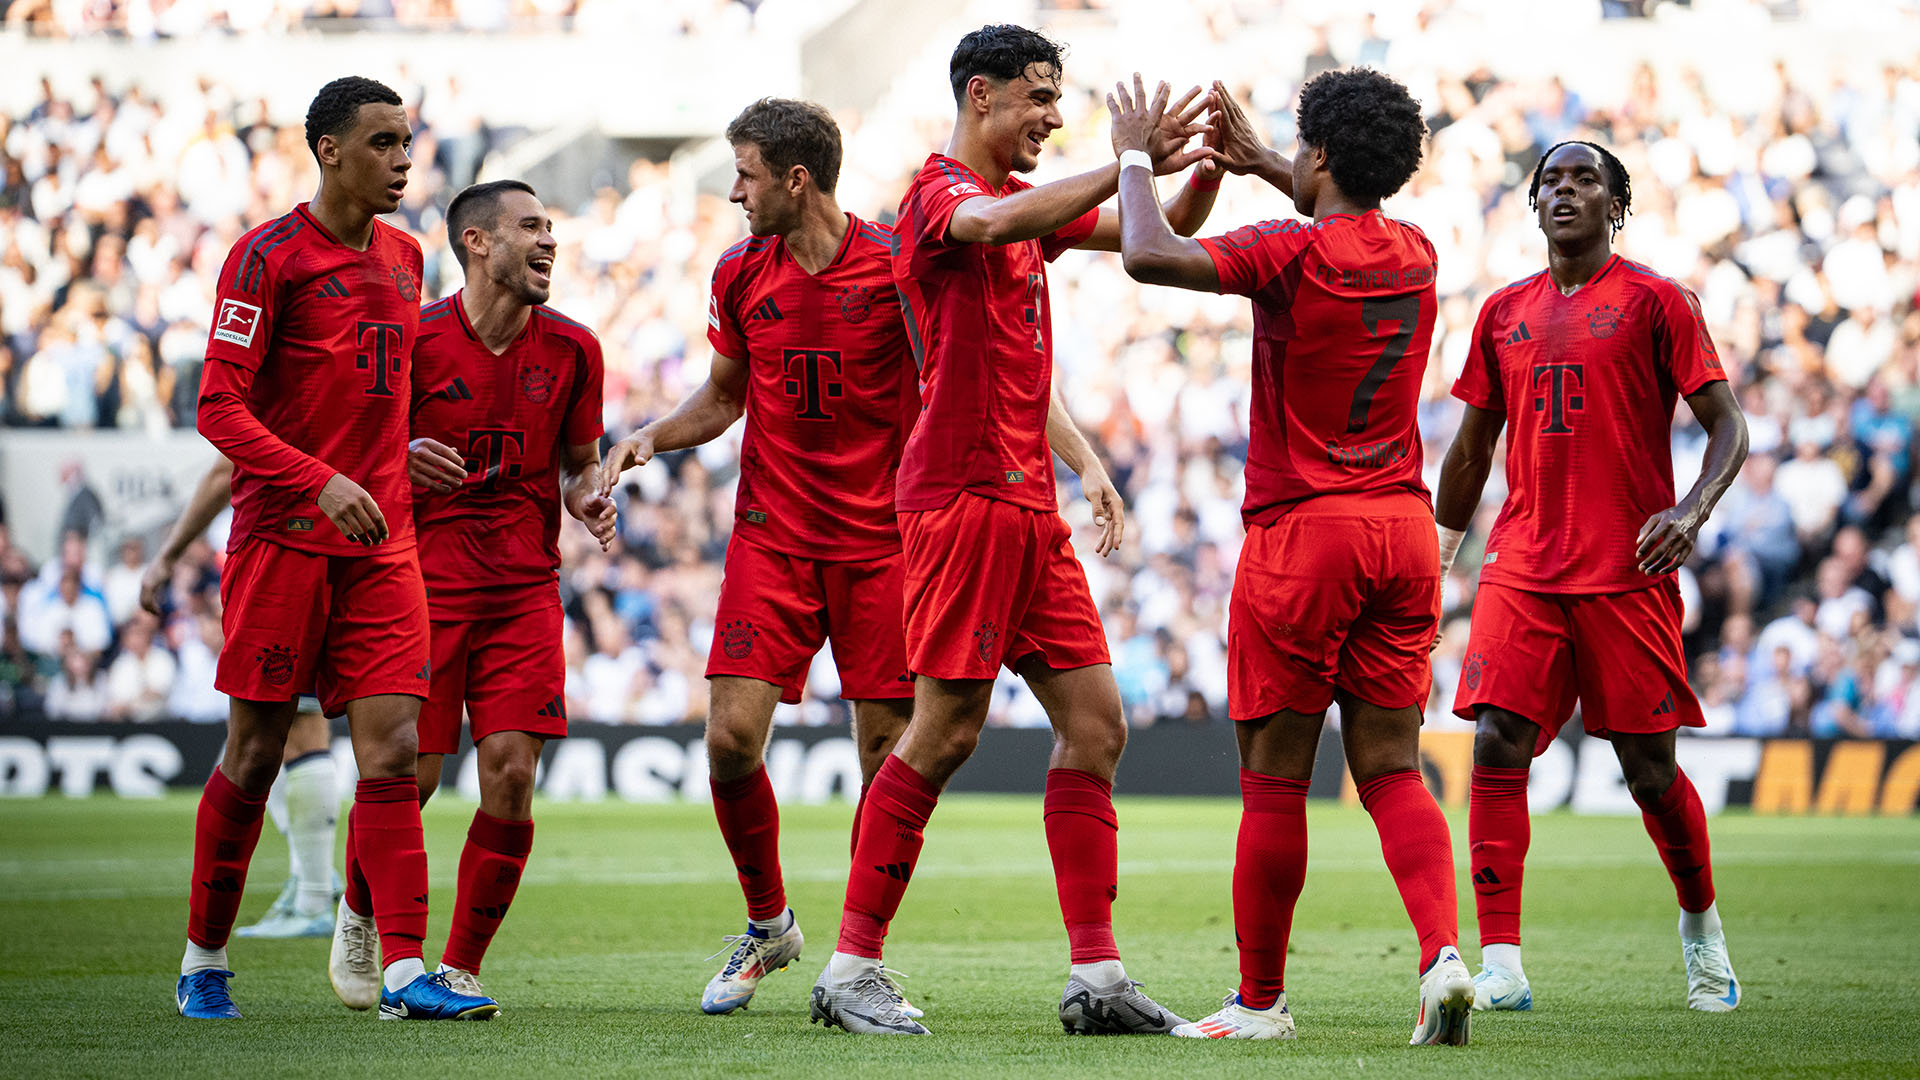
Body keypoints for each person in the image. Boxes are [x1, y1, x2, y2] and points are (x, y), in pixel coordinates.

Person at [806, 24, 1217, 1037]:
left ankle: (1099, 977)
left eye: (1060, 100)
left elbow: (1147, 237)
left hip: (1026, 503)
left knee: (1096, 725)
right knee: (943, 730)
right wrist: (1119, 162)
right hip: (958, 495)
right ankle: (851, 967)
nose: (1052, 115)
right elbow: (993, 227)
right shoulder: (940, 194)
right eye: (1040, 97)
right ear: (980, 95)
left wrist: (1189, 166)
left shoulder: (1028, 212)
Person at [1110, 70, 1470, 1045]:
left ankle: (1261, 1003)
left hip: (1305, 534)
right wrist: (1267, 159)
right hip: (1402, 530)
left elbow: (1147, 253)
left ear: (1318, 156)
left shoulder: (1285, 254)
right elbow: (1334, 209)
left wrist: (1135, 151)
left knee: (1274, 781)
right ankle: (1442, 957)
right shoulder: (1420, 252)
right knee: (1393, 767)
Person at [174, 76, 495, 1022]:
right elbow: (218, 408)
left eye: (408, 141)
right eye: (384, 142)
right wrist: (320, 478)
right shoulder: (265, 258)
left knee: (394, 751)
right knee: (255, 752)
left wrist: (399, 454)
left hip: (384, 539)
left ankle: (402, 972)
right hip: (285, 540)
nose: (404, 158)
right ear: (328, 150)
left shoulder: (406, 257)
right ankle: (204, 957)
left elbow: (371, 397)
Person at [599, 98, 916, 1016]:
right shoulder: (740, 272)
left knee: (887, 754)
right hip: (773, 537)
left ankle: (861, 959)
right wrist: (649, 438)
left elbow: (952, 383)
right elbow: (723, 394)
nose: (733, 191)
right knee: (730, 739)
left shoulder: (899, 267)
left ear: (795, 178)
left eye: (744, 174)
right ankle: (769, 926)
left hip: (881, 545)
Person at [1433, 140, 1750, 1014]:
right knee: (1498, 739)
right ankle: (1502, 963)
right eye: (1550, 181)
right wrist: (1437, 557)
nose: (1563, 191)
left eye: (1584, 180)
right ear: (1533, 204)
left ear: (1618, 204)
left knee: (1649, 771)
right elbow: (1469, 451)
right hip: (1524, 563)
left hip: (1627, 568)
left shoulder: (1657, 302)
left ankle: (1701, 930)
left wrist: (1690, 513)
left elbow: (1729, 427)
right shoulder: (1501, 312)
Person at [392, 178, 614, 1009]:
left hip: (523, 587)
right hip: (422, 585)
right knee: (407, 780)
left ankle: (457, 966)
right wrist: (399, 454)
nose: (548, 240)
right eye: (530, 227)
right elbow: (361, 448)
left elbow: (578, 461)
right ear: (477, 243)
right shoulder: (415, 342)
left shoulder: (575, 349)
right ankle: (359, 908)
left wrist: (589, 494)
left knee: (513, 776)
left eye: (551, 227)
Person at [141, 455, 344, 941]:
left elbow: (221, 470)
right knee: (283, 735)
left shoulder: (277, 389)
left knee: (264, 742)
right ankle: (314, 881)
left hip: (284, 554)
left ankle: (315, 891)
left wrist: (168, 554)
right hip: (353, 553)